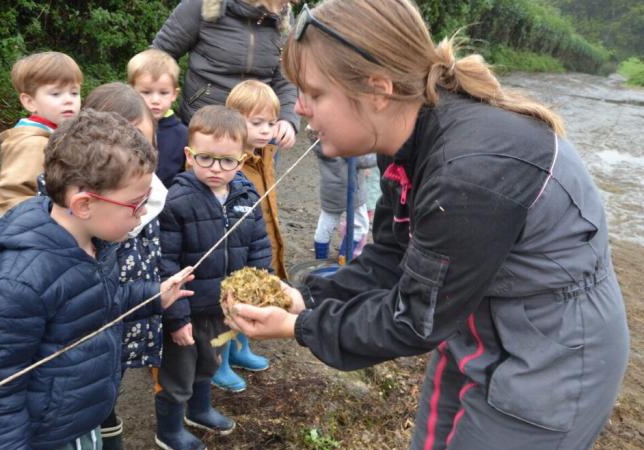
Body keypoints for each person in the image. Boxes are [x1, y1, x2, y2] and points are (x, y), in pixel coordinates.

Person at [227, 1, 630, 449]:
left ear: (377, 90)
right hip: (471, 318)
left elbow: (415, 319)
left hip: (551, 352)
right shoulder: (400, 134)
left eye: (315, 94)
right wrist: (307, 296)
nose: (300, 109)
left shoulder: (468, 172)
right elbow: (393, 254)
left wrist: (299, 327)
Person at [0, 109, 194, 450]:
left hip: (81, 415)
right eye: (136, 202)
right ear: (84, 204)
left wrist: (153, 296)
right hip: (47, 435)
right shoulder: (13, 288)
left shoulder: (96, 241)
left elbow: (98, 305)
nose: (144, 211)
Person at [154, 105, 271, 450]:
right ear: (189, 156)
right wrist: (175, 319)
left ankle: (200, 409)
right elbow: (165, 263)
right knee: (178, 371)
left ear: (242, 159)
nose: (216, 169)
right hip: (186, 309)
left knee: (210, 360)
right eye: (206, 158)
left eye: (227, 161)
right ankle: (170, 429)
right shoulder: (176, 201)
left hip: (223, 305)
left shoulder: (247, 195)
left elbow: (258, 246)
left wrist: (257, 289)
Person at [80, 82, 169, 450]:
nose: (132, 153)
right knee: (87, 391)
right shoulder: (78, 208)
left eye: (142, 142)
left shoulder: (155, 194)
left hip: (129, 313)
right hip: (86, 328)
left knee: (110, 383)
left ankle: (107, 426)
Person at [207, 79, 285, 393]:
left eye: (271, 122)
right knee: (230, 307)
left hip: (257, 241)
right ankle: (219, 363)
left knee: (248, 299)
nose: (266, 130)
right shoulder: (229, 163)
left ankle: (240, 351)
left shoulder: (263, 154)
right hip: (232, 248)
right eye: (257, 123)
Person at [151, 0, 300, 149]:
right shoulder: (200, 5)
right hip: (205, 132)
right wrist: (157, 115)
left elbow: (286, 77)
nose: (288, 4)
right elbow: (157, 59)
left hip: (257, 139)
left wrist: (287, 118)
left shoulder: (283, 16)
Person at [0, 51, 82, 216]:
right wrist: (32, 233)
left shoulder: (60, 133)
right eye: (56, 93)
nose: (69, 99)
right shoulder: (32, 143)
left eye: (74, 92)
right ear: (30, 102)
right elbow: (11, 194)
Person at [308, 125, 376, 263]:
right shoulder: (344, 143)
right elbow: (365, 160)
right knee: (360, 225)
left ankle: (320, 260)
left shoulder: (320, 142)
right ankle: (344, 258)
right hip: (352, 192)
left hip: (330, 191)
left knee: (326, 223)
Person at [128, 49, 189, 187]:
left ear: (174, 94)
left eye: (163, 93)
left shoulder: (184, 135)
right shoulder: (123, 127)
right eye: (146, 92)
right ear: (131, 90)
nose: (155, 100)